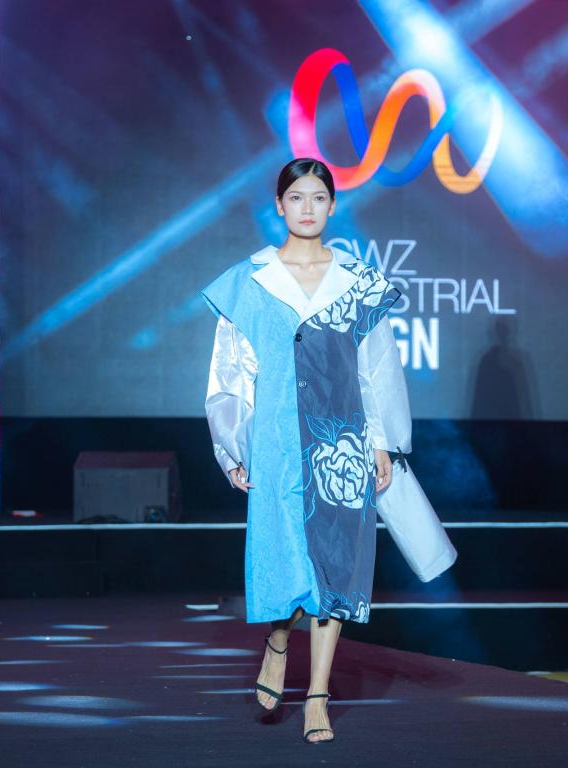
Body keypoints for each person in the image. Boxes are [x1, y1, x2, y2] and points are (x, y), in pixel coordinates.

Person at [201, 158, 454, 744]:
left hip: (342, 443)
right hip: (275, 443)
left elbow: (377, 367)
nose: (308, 207)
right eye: (297, 197)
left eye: (318, 197)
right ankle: (277, 643)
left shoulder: (358, 281)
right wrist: (232, 448)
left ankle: (318, 694)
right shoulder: (250, 281)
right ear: (280, 206)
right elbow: (230, 372)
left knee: (339, 566)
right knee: (281, 562)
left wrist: (382, 441)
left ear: (333, 206)